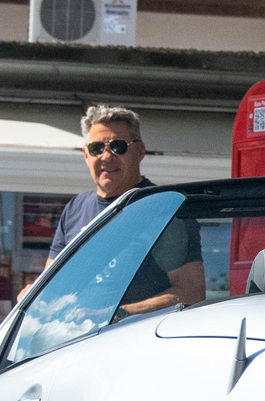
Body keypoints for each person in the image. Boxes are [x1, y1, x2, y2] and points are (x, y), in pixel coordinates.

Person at [55, 105, 203, 315]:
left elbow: (191, 293)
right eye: (97, 148)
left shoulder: (164, 209)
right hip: (73, 340)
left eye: (117, 146)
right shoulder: (74, 209)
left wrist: (119, 315)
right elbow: (53, 287)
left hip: (135, 341)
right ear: (86, 155)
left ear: (140, 151)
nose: (106, 156)